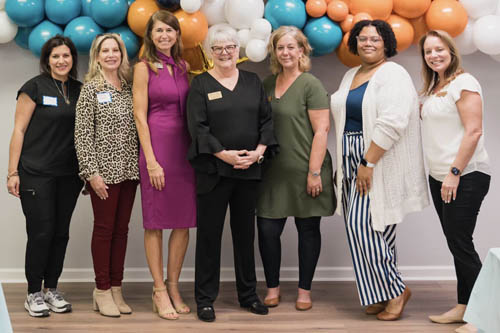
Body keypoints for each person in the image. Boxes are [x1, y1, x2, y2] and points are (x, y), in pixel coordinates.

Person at [330, 20, 429, 321]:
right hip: (349, 156)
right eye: (362, 39)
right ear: (355, 43)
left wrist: (367, 162)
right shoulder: (351, 74)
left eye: (375, 39)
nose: (368, 43)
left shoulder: (393, 74)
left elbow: (393, 122)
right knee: (373, 230)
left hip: (374, 158)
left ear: (386, 43)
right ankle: (380, 293)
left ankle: (397, 290)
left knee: (367, 227)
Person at [186, 25, 277, 322]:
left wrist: (259, 151)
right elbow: (197, 127)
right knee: (210, 237)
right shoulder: (200, 84)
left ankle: (248, 295)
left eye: (230, 47)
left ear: (238, 50)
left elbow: (266, 120)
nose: (225, 52)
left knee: (244, 236)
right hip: (214, 172)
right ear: (211, 52)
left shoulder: (253, 81)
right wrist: (223, 154)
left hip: (249, 170)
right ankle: (205, 299)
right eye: (218, 48)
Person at [256, 26, 335, 311]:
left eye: (292, 47)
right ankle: (272, 288)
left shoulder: (310, 84)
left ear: (302, 51)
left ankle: (304, 290)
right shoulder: (266, 85)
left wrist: (314, 172)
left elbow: (322, 131)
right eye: (280, 47)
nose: (286, 52)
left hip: (307, 171)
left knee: (307, 231)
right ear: (274, 52)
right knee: (266, 230)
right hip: (273, 174)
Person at [419, 30, 490, 333]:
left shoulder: (464, 82)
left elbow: (473, 131)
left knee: (461, 242)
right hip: (440, 176)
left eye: (439, 49)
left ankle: (482, 315)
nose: (434, 55)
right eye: (428, 52)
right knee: (455, 242)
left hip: (466, 175)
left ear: (451, 50)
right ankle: (464, 306)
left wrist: (454, 173)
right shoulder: (436, 87)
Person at [6, 35, 83, 317]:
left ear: (73, 59)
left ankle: (51, 289)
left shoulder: (80, 90)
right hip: (36, 172)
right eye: (55, 56)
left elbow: (86, 135)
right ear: (47, 60)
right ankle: (33, 293)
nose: (61, 61)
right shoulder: (34, 88)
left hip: (69, 176)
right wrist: (12, 172)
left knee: (60, 233)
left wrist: (87, 170)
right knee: (41, 233)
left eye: (66, 55)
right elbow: (19, 131)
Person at [133, 10, 196, 321]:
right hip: (156, 150)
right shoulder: (143, 68)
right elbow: (139, 118)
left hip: (184, 153)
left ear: (176, 35)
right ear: (151, 35)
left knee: (183, 222)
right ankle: (158, 290)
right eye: (159, 31)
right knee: (155, 221)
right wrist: (152, 162)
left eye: (169, 31)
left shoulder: (184, 67)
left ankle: (173, 286)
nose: (164, 36)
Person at [75, 33, 139, 318]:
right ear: (97, 56)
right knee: (104, 230)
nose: (111, 54)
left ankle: (116, 287)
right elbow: (82, 136)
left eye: (116, 50)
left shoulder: (128, 88)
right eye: (106, 50)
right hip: (103, 174)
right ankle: (101, 290)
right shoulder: (90, 89)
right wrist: (92, 174)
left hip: (129, 171)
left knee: (121, 231)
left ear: (122, 55)